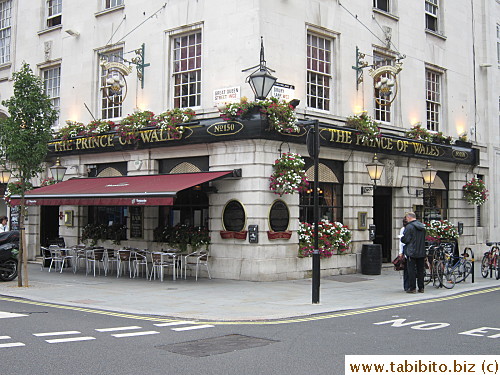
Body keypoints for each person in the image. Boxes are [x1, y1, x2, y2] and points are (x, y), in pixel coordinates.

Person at [401, 211, 426, 294]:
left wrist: (402, 238)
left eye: (407, 218)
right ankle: (421, 288)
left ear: (409, 218)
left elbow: (405, 239)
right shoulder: (422, 226)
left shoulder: (409, 227)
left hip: (411, 252)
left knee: (411, 271)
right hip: (421, 251)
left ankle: (412, 288)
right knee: (420, 270)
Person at [398, 218, 409, 291]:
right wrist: (401, 252)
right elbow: (401, 242)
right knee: (406, 269)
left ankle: (408, 286)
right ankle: (407, 286)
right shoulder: (403, 229)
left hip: (409, 251)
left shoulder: (410, 229)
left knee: (408, 270)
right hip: (407, 252)